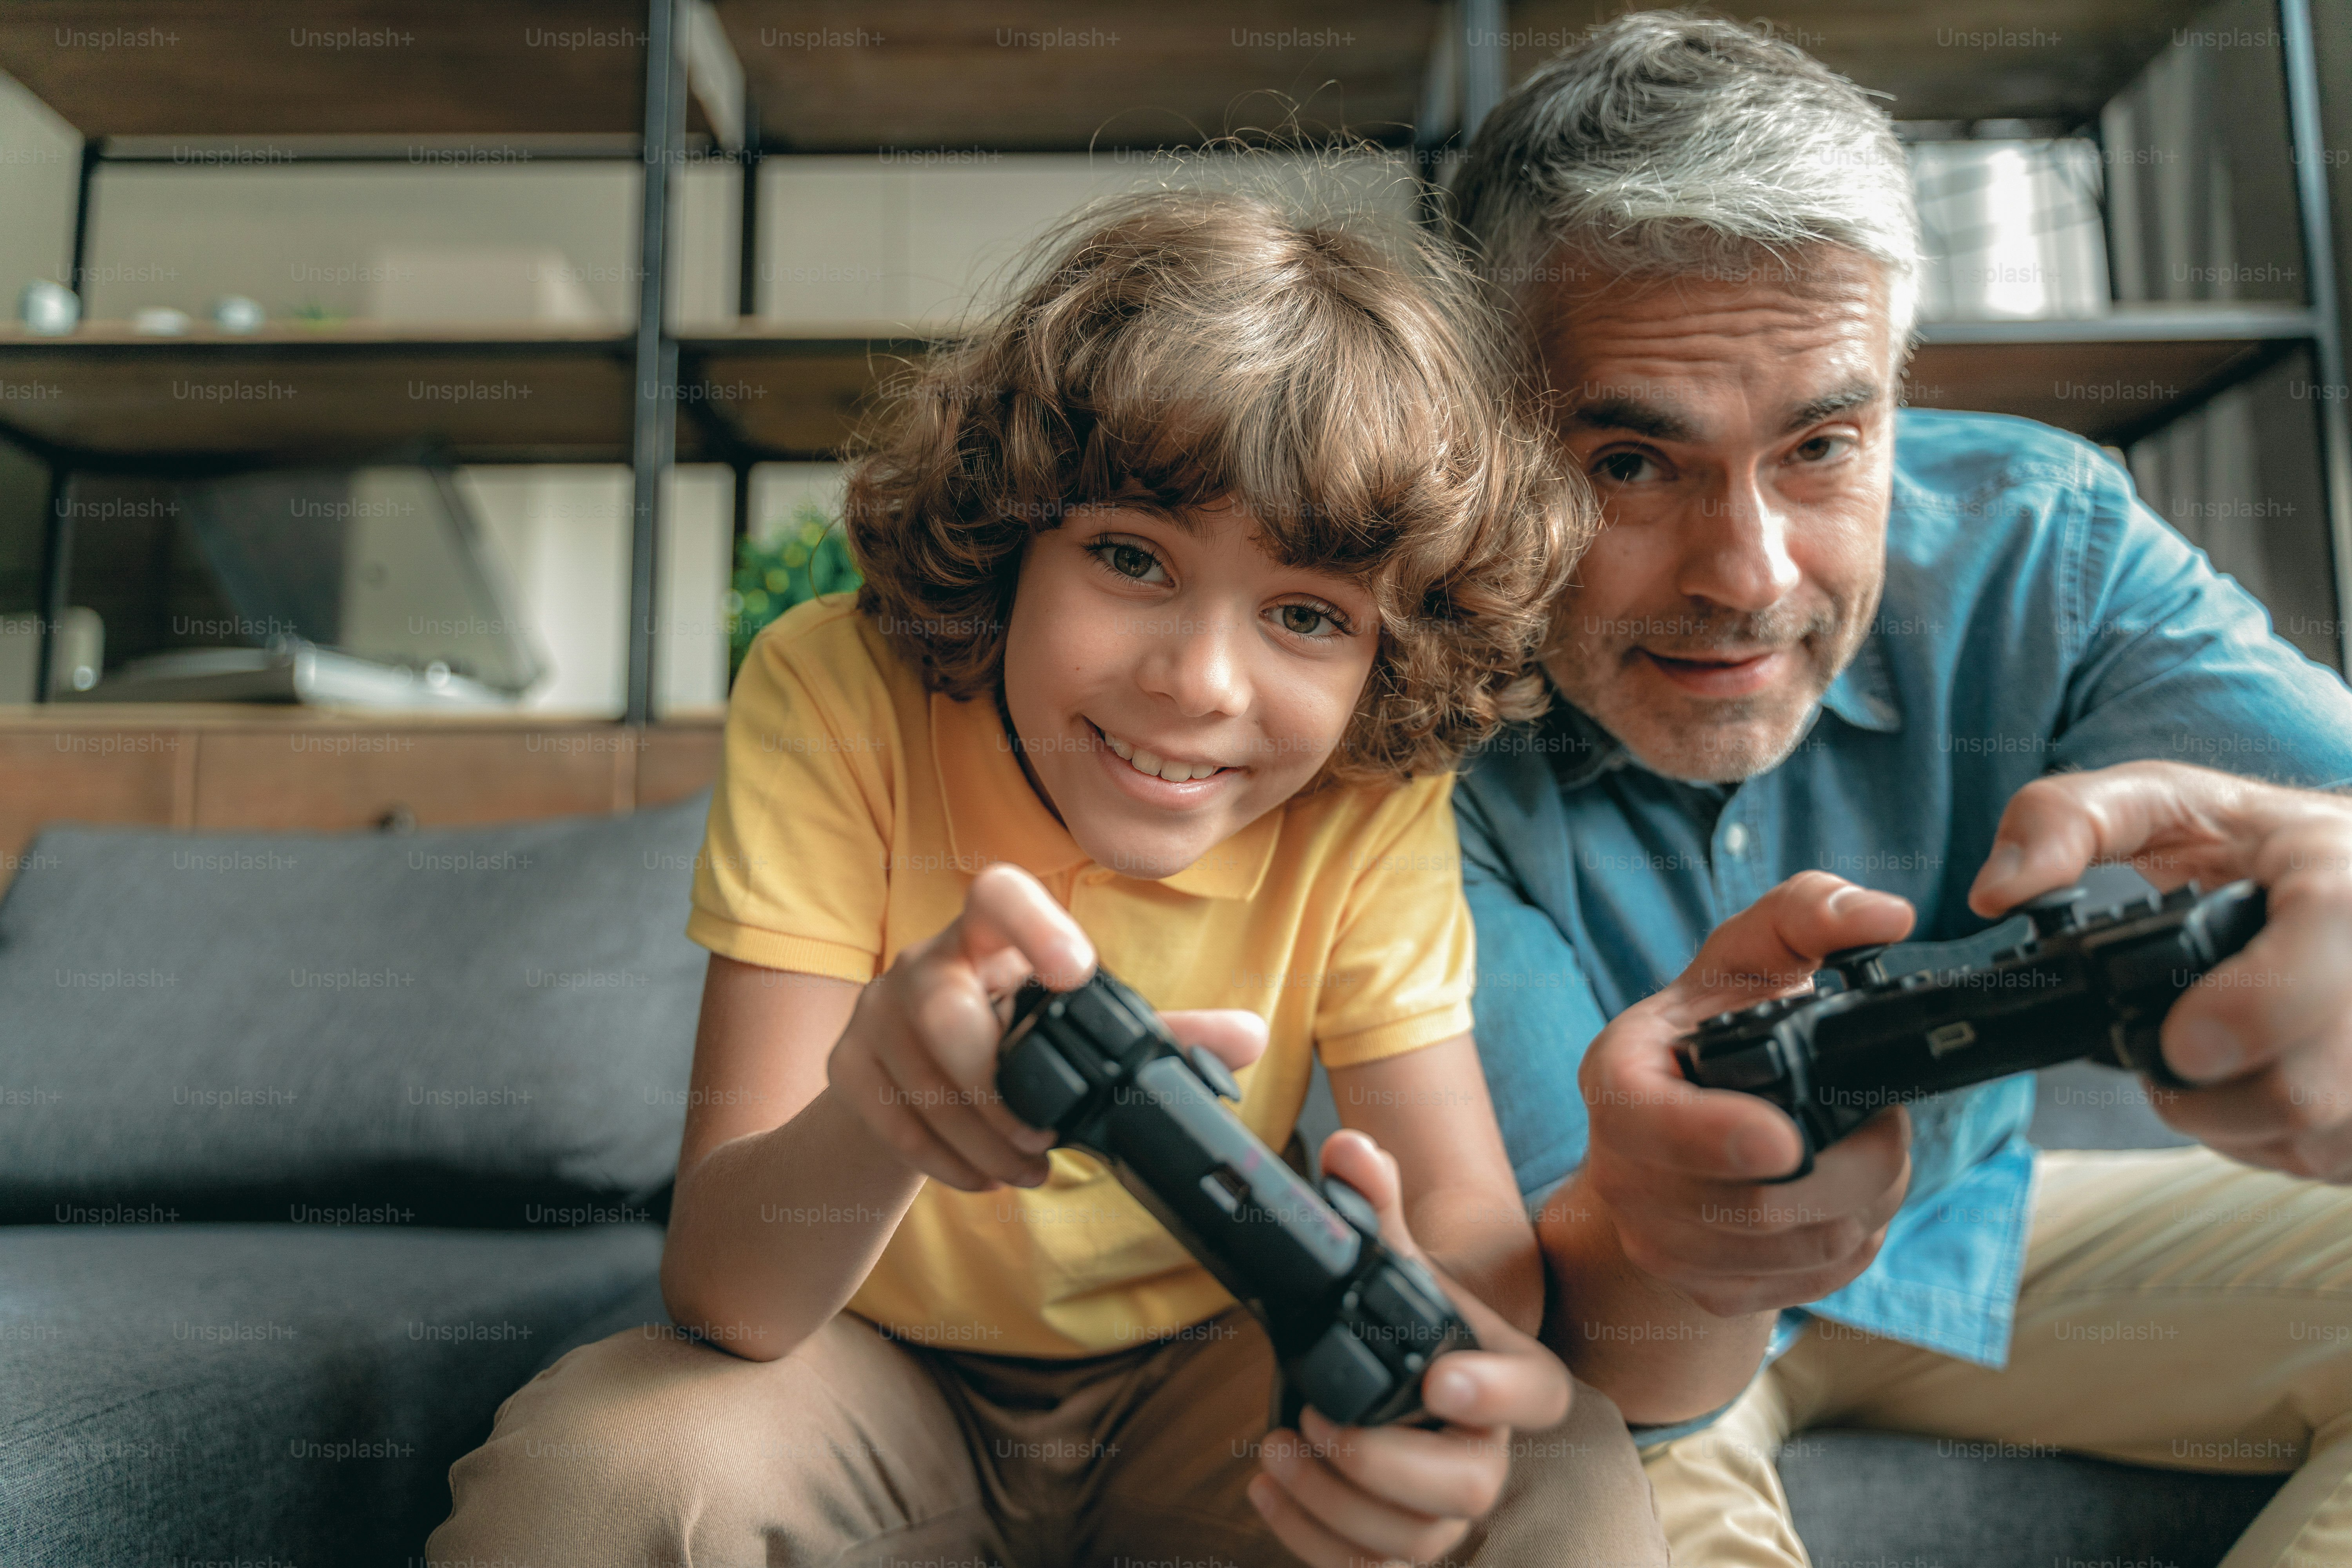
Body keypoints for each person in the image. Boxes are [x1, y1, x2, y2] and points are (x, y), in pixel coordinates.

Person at [427, 186, 1670, 1568]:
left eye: (1308, 616)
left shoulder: (1367, 792)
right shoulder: (839, 687)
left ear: (1387, 656)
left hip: (1221, 1375)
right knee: (597, 1486)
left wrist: (1410, 1334)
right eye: (1132, 558)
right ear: (1015, 529)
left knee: (1556, 1480)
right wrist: (882, 1112)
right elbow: (730, 1294)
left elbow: (1463, 1220)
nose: (1197, 683)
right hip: (864, 1365)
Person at [1445, 15, 2352, 1566]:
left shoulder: (2037, 540)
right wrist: (1659, 1248)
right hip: (1605, 1306)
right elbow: (1556, 1301)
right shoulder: (1394, 675)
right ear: (1477, 428)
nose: (1751, 578)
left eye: (1821, 444)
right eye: (1631, 464)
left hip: (1967, 1230)